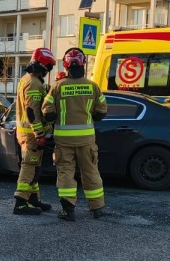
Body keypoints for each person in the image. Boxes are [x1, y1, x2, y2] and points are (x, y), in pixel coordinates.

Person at [43, 48, 108, 221]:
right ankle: (97, 209)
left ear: (66, 65)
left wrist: (55, 117)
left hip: (63, 141)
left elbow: (47, 112)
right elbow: (102, 111)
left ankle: (68, 210)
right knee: (90, 172)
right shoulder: (92, 86)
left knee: (65, 173)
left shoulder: (58, 87)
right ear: (83, 65)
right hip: (86, 140)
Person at [12, 48, 56, 216]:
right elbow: (32, 112)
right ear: (43, 66)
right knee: (29, 166)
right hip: (31, 135)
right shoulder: (34, 83)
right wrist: (40, 134)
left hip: (27, 133)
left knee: (35, 166)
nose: (48, 71)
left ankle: (33, 199)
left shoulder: (27, 79)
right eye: (49, 67)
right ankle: (20, 203)